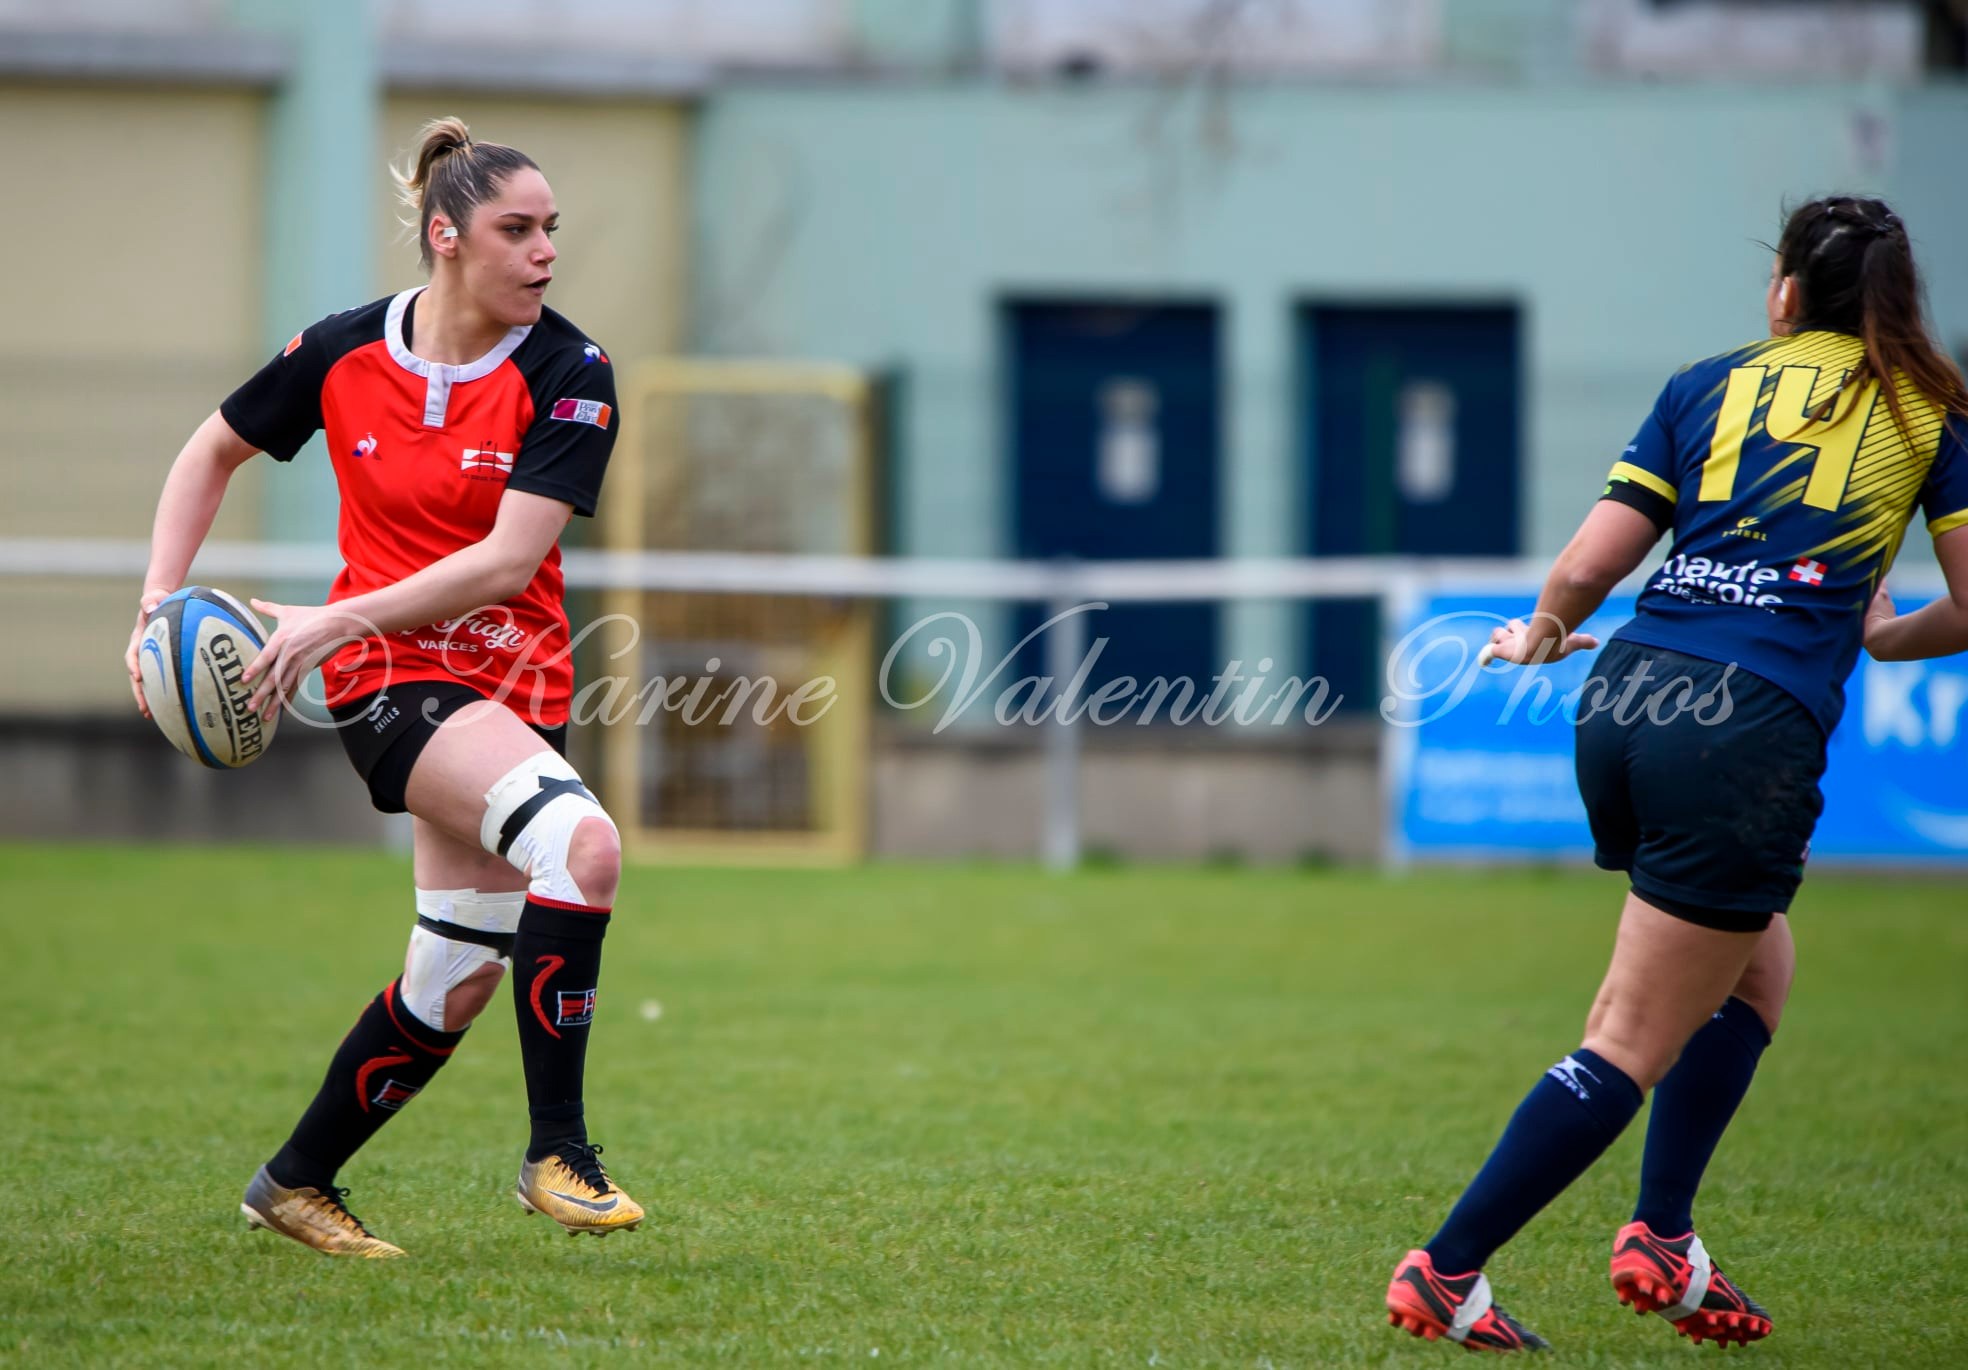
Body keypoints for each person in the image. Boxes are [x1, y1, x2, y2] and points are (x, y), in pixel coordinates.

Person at [1384, 195, 1968, 1351]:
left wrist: (1540, 631)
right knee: (1627, 1035)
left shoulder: (1706, 381)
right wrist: (1885, 635)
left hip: (1628, 695)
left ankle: (1664, 1232)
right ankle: (1448, 1269)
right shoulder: (1933, 413)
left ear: (1786, 293)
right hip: (1740, 729)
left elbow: (1592, 560)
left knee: (1756, 971)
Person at [122, 117, 643, 1257]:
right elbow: (209, 449)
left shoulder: (573, 369)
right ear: (447, 236)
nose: (545, 250)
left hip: (518, 680)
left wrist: (331, 611)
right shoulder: (347, 351)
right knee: (586, 847)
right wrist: (159, 602)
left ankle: (296, 1180)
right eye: (518, 229)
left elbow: (510, 561)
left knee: (455, 969)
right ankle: (559, 1147)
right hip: (387, 676)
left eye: (552, 229)